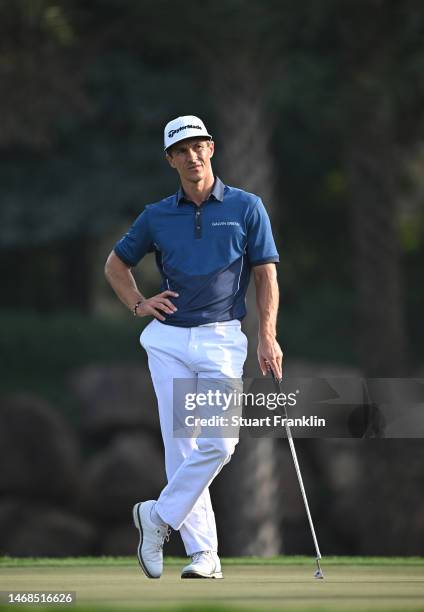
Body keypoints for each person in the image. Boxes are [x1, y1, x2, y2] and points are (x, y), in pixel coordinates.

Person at [104, 115, 283, 579]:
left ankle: (158, 517)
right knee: (181, 447)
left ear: (212, 148)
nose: (191, 156)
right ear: (171, 160)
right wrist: (139, 304)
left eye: (198, 146)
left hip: (223, 339)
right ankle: (205, 556)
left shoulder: (246, 207)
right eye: (181, 150)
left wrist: (267, 335)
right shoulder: (157, 214)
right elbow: (115, 265)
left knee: (221, 442)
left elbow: (266, 275)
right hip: (168, 340)